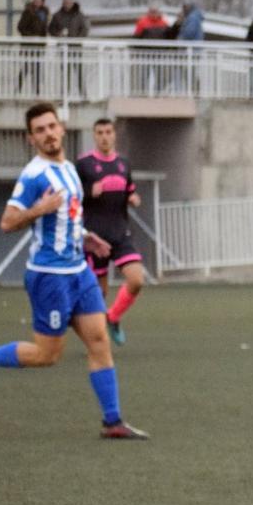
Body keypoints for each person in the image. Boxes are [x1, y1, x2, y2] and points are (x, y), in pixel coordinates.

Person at [0, 103, 149, 441]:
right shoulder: (33, 175)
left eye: (51, 126)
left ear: (62, 129)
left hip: (78, 271)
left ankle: (112, 421)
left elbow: (69, 216)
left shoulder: (70, 170)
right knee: (47, 355)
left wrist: (87, 238)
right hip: (49, 276)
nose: (48, 134)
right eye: (40, 130)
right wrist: (40, 208)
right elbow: (7, 221)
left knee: (100, 340)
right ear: (32, 139)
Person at [76, 119, 145, 345]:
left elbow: (129, 190)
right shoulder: (84, 164)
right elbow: (72, 197)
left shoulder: (124, 163)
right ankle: (95, 339)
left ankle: (113, 317)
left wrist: (133, 198)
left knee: (136, 280)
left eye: (108, 132)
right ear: (94, 136)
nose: (104, 137)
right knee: (99, 294)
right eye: (99, 133)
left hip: (119, 232)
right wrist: (88, 192)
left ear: (114, 135)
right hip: (95, 237)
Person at [48, 0, 90, 97]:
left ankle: (83, 95)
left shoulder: (79, 15)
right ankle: (65, 95)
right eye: (65, 2)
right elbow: (51, 29)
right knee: (66, 73)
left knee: (78, 71)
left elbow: (85, 29)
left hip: (76, 48)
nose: (67, 4)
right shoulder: (57, 15)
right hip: (63, 48)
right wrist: (58, 34)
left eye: (69, 2)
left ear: (72, 3)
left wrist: (77, 39)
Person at [16, 0, 49, 95]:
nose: (37, 2)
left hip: (39, 46)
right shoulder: (28, 12)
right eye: (35, 0)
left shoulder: (44, 13)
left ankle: (37, 92)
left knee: (37, 70)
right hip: (28, 45)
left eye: (39, 1)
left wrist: (43, 41)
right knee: (25, 68)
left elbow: (44, 29)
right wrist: (30, 36)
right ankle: (18, 89)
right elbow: (20, 27)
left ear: (42, 2)